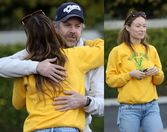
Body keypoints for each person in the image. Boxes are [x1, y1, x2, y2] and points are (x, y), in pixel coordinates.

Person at [0, 2, 104, 132]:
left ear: (82, 28)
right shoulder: (80, 55)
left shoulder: (26, 62)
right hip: (71, 127)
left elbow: (17, 103)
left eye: (77, 26)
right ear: (54, 28)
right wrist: (37, 67)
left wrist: (85, 101)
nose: (73, 31)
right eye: (67, 25)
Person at [106, 10, 164, 132]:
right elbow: (110, 80)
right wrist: (129, 75)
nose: (142, 29)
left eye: (144, 26)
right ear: (128, 27)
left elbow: (159, 80)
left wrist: (156, 72)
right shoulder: (117, 51)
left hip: (151, 107)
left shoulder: (151, 50)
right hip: (129, 109)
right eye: (138, 26)